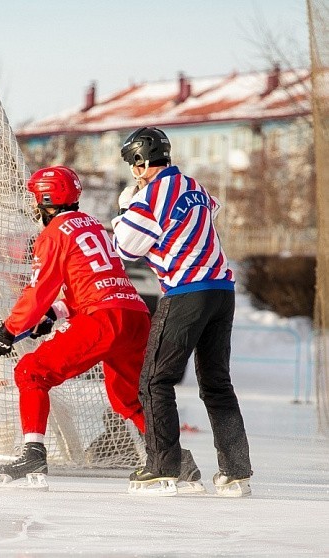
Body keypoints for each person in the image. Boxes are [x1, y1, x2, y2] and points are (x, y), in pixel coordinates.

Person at [0, 165, 152, 490]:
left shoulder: (54, 233)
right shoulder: (93, 225)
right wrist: (55, 313)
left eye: (36, 199)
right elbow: (89, 283)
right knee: (127, 398)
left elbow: (37, 292)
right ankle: (170, 457)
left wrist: (7, 332)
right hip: (133, 316)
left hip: (103, 319)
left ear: (47, 198)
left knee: (30, 372)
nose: (34, 206)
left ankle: (32, 453)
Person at [112, 126, 252, 497]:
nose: (133, 171)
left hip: (187, 291)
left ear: (140, 162)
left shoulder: (151, 194)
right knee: (217, 384)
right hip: (222, 290)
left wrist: (126, 208)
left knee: (155, 380)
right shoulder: (194, 185)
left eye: (133, 164)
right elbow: (212, 211)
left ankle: (162, 467)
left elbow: (126, 247)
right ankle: (236, 472)